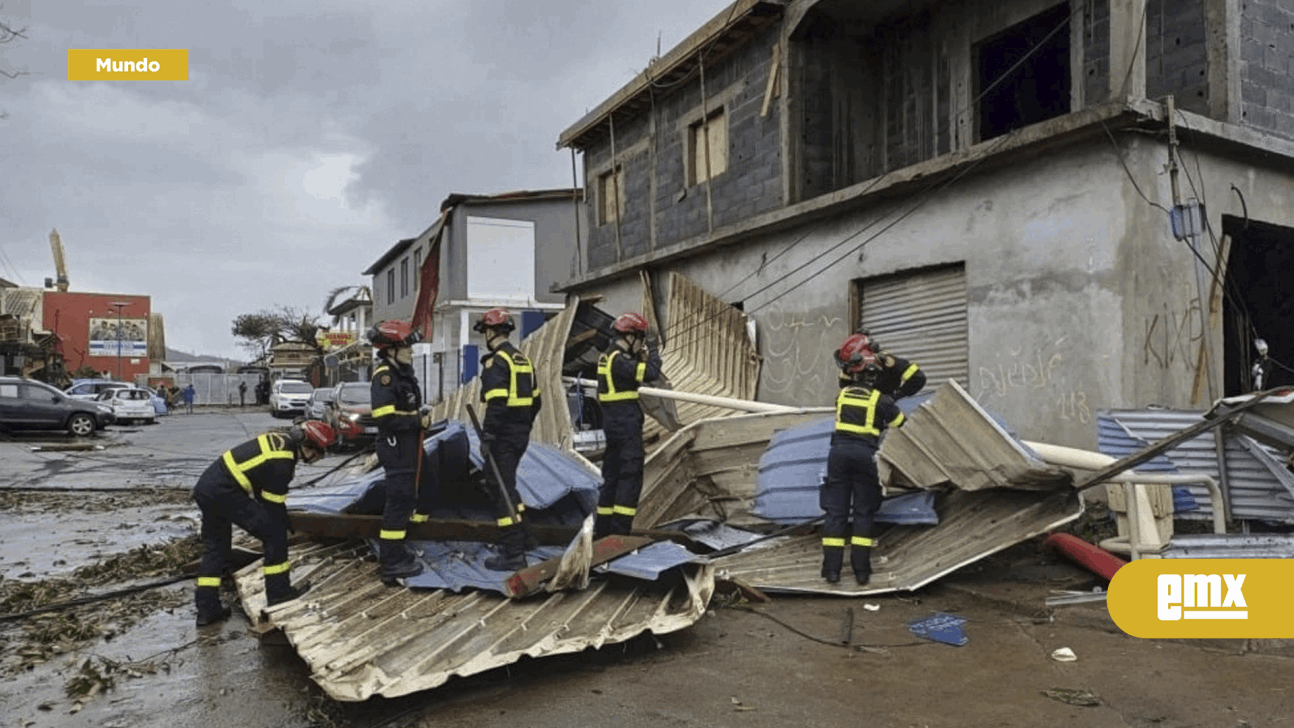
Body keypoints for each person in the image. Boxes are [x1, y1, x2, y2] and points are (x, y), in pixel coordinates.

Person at [192, 420, 335, 627]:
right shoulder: (284, 459)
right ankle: (279, 594)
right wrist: (281, 524)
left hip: (207, 489)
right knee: (275, 536)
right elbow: (272, 504)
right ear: (309, 445)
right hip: (225, 492)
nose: (317, 457)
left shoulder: (280, 442)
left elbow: (261, 486)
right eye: (319, 452)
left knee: (216, 549)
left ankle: (207, 610)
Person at [821, 336, 906, 586]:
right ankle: (862, 573)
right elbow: (901, 424)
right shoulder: (881, 401)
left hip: (837, 455)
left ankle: (832, 571)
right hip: (865, 457)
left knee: (835, 513)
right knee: (863, 513)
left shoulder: (842, 396)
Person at [474, 308, 542, 571]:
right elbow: (537, 401)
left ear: (490, 332)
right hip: (520, 433)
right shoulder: (522, 360)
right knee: (509, 486)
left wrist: (489, 436)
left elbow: (497, 403)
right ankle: (526, 537)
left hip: (502, 435)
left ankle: (512, 552)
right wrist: (523, 425)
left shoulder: (497, 362)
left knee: (499, 488)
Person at [367, 319, 430, 581]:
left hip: (408, 444)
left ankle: (398, 550)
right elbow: (384, 418)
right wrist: (417, 421)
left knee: (408, 498)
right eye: (406, 347)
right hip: (396, 447)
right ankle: (391, 561)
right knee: (398, 500)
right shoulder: (385, 377)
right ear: (391, 349)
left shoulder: (402, 374)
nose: (411, 351)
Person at [594, 312, 663, 539]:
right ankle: (620, 535)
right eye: (641, 338)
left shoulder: (607, 356)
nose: (641, 343)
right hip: (626, 425)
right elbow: (651, 373)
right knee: (630, 477)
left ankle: (602, 532)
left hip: (612, 425)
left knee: (612, 477)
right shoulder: (619, 359)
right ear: (631, 336)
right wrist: (653, 350)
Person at [836, 330, 926, 399]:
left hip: (886, 412)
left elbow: (918, 378)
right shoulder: (849, 369)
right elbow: (844, 387)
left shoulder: (887, 364)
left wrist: (896, 395)